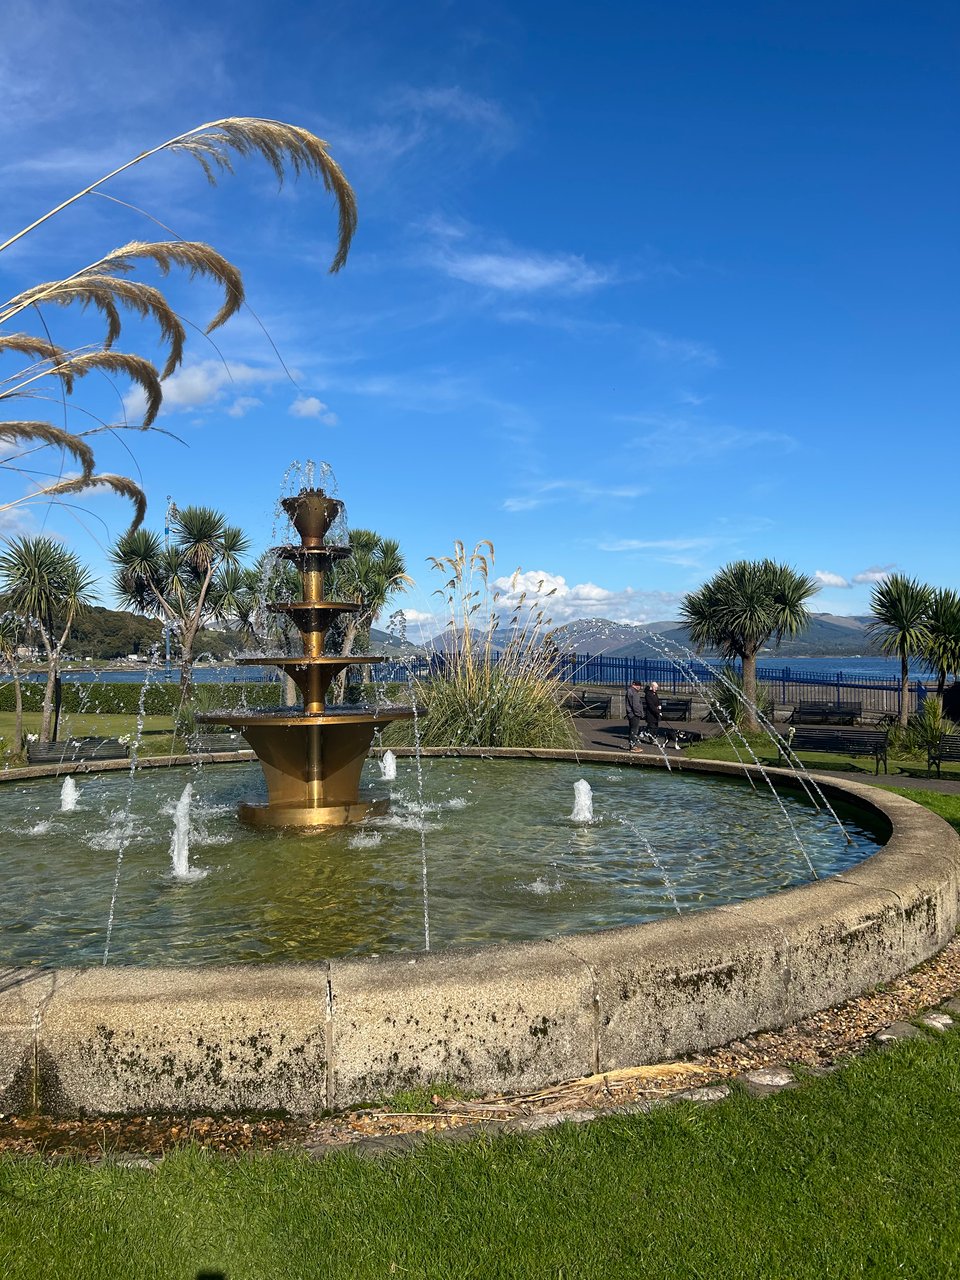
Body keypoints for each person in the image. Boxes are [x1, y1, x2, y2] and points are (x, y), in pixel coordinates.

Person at [644, 681, 681, 750]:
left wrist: (659, 706)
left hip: (656, 713)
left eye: (657, 687)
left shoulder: (655, 693)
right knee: (652, 727)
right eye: (655, 687)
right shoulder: (648, 694)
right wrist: (658, 711)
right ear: (652, 687)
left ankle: (653, 737)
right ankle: (652, 739)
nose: (656, 689)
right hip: (651, 714)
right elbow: (651, 705)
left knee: (655, 726)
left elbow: (657, 702)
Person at [625, 678, 645, 752]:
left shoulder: (631, 691)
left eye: (639, 685)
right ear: (633, 685)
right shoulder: (633, 692)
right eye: (637, 685)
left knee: (632, 730)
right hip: (634, 714)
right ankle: (633, 747)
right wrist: (638, 713)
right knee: (634, 730)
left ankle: (633, 745)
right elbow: (635, 705)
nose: (639, 687)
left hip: (632, 714)